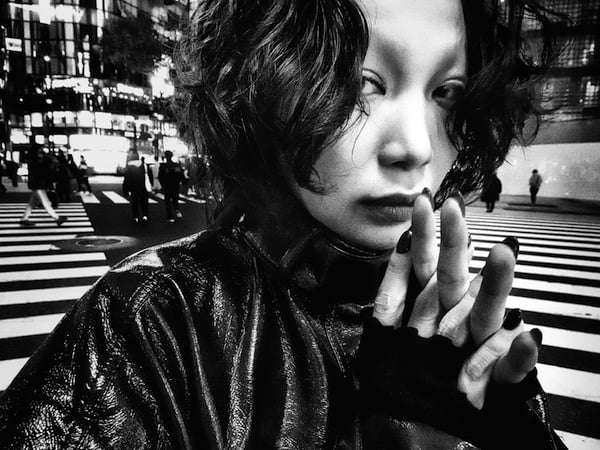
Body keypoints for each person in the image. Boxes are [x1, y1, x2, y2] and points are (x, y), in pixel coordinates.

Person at [0, 0, 567, 449]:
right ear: (263, 81)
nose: (416, 148)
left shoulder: (461, 334)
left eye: (445, 93)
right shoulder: (151, 322)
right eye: (361, 83)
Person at [18, 145, 67, 226]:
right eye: (40, 150)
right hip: (38, 184)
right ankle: (57, 218)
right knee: (45, 201)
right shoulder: (37, 160)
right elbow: (44, 170)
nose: (41, 152)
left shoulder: (33, 159)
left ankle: (24, 219)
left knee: (32, 203)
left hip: (37, 183)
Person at [122, 151, 150, 225]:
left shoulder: (130, 167)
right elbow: (147, 175)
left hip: (134, 188)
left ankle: (136, 217)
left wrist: (125, 190)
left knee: (135, 203)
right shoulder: (142, 165)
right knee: (144, 202)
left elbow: (127, 179)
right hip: (142, 187)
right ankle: (145, 216)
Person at [158, 150, 185, 222]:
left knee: (167, 201)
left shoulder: (163, 166)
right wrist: (178, 182)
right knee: (175, 200)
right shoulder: (176, 165)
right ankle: (177, 212)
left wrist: (163, 184)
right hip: (175, 186)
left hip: (167, 186)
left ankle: (170, 216)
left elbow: (160, 177)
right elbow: (180, 175)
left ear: (165, 157)